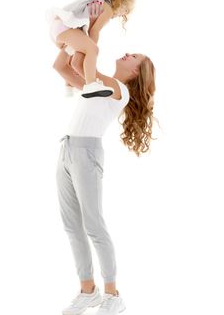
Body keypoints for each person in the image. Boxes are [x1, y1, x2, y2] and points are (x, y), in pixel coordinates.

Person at [55, 44, 156, 315]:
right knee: (71, 225)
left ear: (136, 72)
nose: (127, 53)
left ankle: (113, 294)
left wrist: (86, 40)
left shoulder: (118, 90)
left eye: (133, 56)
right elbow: (61, 67)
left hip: (87, 153)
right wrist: (66, 44)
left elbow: (80, 66)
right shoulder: (94, 84)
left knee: (94, 226)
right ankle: (88, 291)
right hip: (67, 150)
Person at [46, 0, 135, 98]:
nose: (124, 14)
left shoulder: (97, 2)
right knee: (93, 49)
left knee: (73, 61)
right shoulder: (107, 8)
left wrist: (86, 49)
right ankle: (91, 85)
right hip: (66, 28)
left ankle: (70, 86)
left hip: (59, 28)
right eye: (126, 9)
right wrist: (91, 50)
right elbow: (94, 31)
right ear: (120, 0)